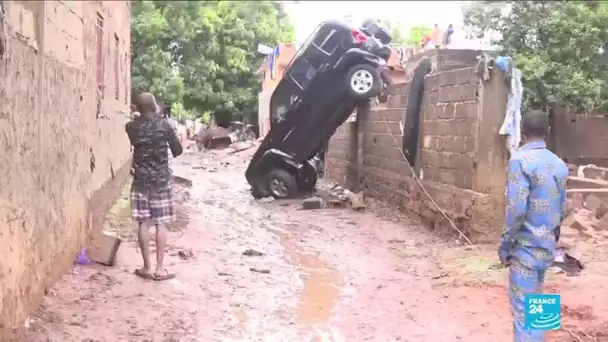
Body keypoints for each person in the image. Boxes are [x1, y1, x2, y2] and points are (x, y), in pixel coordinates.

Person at [498, 110, 569, 341]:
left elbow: (516, 210)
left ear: (523, 133)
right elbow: (562, 208)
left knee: (522, 314)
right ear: (547, 132)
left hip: (525, 250)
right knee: (537, 308)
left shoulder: (519, 161)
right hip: (546, 248)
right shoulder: (559, 164)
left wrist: (505, 246)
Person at [126, 92, 183, 281]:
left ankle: (146, 267)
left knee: (143, 222)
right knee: (161, 223)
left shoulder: (132, 127)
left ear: (137, 108)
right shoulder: (164, 125)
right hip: (161, 181)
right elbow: (178, 151)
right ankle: (159, 269)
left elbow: (135, 134)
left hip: (141, 181)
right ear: (154, 106)